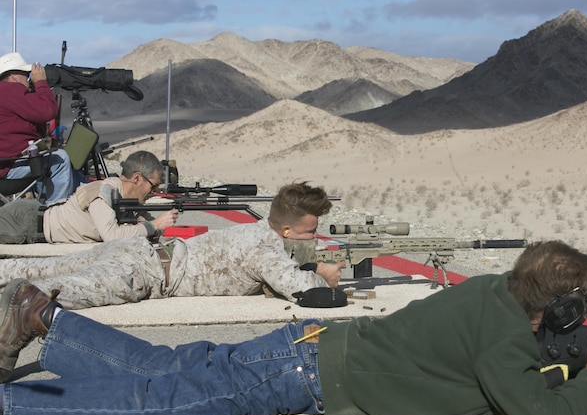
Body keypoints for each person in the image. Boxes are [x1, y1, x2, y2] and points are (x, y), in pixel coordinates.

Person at [0, 240, 587, 415]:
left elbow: (552, 367)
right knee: (158, 401)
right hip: (304, 374)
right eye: (583, 312)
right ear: (557, 312)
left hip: (304, 346)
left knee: (171, 364)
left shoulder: (499, 297)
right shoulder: (506, 340)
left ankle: (45, 318)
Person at [0, 181, 346, 309]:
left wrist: (311, 266)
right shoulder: (265, 251)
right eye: (308, 233)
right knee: (39, 295)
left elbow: (278, 271)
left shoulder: (256, 231)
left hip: (139, 252)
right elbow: (307, 295)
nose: (313, 239)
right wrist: (325, 278)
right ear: (286, 229)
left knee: (28, 268)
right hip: (146, 274)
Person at [0, 150, 178, 244]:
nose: (154, 192)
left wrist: (156, 225)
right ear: (137, 178)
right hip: (24, 224)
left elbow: (147, 224)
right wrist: (153, 225)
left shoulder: (126, 197)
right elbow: (112, 236)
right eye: (153, 186)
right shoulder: (104, 192)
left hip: (31, 217)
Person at [0, 52, 80, 204]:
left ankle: (82, 197)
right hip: (7, 168)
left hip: (5, 164)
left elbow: (37, 126)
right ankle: (55, 214)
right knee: (60, 159)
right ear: (14, 76)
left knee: (57, 164)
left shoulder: (6, 94)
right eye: (26, 75)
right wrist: (41, 83)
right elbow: (47, 111)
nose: (29, 80)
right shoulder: (11, 90)